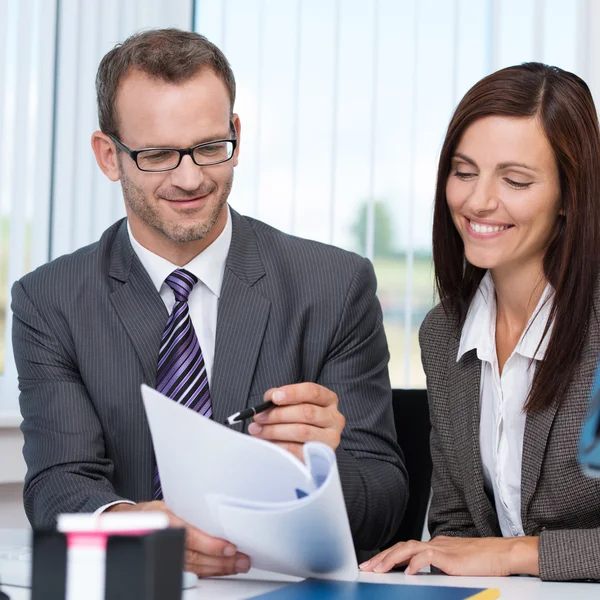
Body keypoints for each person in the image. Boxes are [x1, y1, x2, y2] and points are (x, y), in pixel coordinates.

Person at [11, 29, 408, 578]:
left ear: (236, 136)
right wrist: (132, 525)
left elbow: (386, 501)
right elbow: (58, 485)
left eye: (208, 147)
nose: (191, 177)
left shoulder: (334, 286)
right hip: (141, 585)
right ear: (109, 156)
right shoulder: (49, 300)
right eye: (157, 155)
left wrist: (319, 468)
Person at [361, 62, 600, 581]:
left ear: (569, 195)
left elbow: (496, 552)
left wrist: (517, 554)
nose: (477, 200)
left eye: (515, 179)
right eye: (464, 172)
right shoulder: (443, 332)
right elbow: (456, 524)